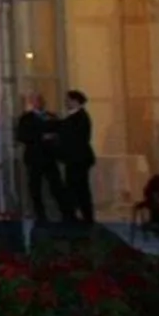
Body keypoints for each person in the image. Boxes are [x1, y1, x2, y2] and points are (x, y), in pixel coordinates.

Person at [13, 92, 58, 220]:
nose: (39, 103)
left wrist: (54, 138)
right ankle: (40, 214)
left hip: (50, 157)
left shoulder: (51, 116)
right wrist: (40, 137)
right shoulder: (26, 118)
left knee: (56, 185)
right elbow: (21, 136)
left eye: (40, 100)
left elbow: (60, 132)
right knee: (35, 187)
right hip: (34, 157)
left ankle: (63, 212)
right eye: (35, 100)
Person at [57, 89, 97, 225]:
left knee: (78, 188)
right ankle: (79, 216)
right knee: (77, 188)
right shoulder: (77, 117)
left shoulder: (79, 117)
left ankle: (82, 217)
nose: (65, 102)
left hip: (78, 159)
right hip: (76, 159)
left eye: (68, 100)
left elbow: (72, 137)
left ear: (75, 101)